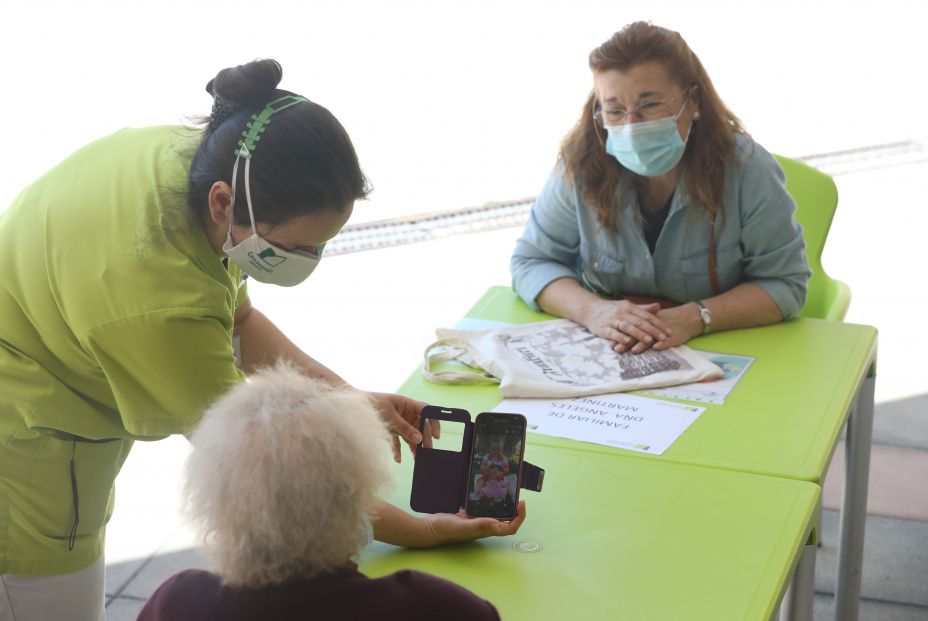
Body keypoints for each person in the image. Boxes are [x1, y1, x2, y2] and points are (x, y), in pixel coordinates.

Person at [0, 59, 521, 621]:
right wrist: (421, 530)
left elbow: (239, 321)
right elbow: (271, 469)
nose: (311, 261)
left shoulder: (214, 161)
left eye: (322, 244)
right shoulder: (161, 303)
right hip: (27, 435)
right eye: (297, 248)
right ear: (222, 202)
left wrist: (347, 401)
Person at [510, 22, 811, 355]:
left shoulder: (747, 168)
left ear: (693, 102)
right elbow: (532, 262)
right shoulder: (581, 164)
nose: (631, 126)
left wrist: (697, 317)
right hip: (611, 349)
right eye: (615, 110)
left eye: (650, 105)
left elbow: (785, 284)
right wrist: (592, 311)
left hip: (722, 348)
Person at [138, 362, 511, 621]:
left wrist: (425, 529)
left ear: (210, 497)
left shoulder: (176, 604)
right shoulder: (434, 608)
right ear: (360, 498)